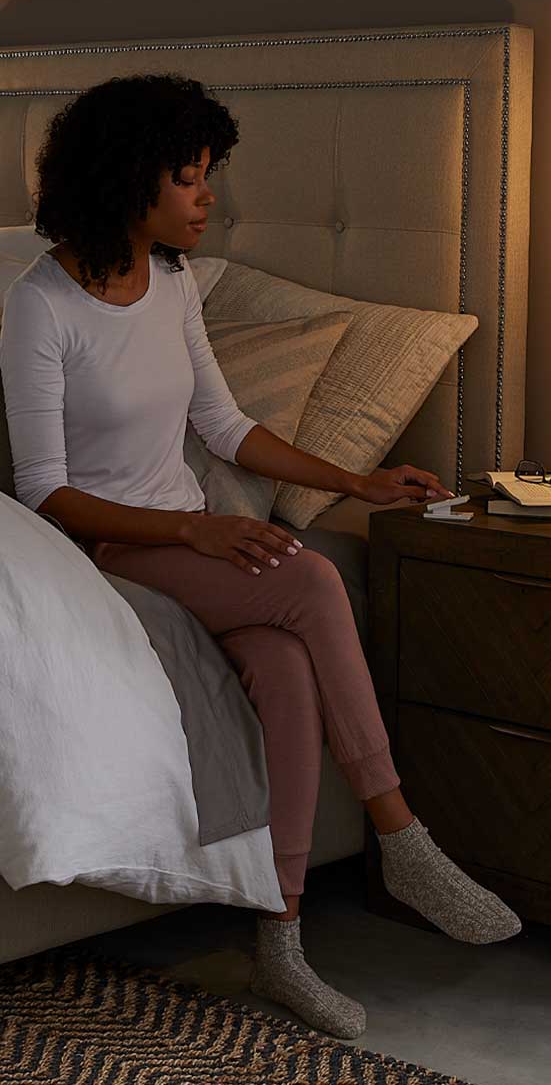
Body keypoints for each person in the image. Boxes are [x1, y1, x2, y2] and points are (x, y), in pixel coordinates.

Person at [0, 74, 521, 1040]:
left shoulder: (173, 283)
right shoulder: (45, 306)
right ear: (130, 180)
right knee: (316, 578)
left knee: (285, 667)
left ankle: (279, 941)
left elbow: (225, 424)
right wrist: (194, 529)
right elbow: (44, 490)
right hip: (109, 548)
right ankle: (399, 830)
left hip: (188, 537)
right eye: (192, 180)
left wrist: (356, 483)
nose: (208, 200)